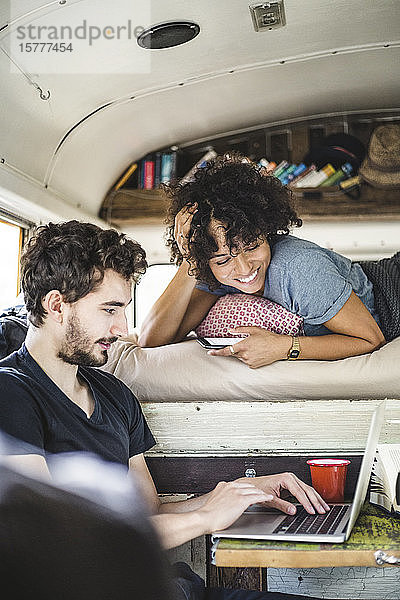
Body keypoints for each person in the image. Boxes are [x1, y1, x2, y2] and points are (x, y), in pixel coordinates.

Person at [0, 220, 328, 600]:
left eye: (124, 309)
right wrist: (205, 518)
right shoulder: (11, 393)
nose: (123, 328)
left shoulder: (115, 394)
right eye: (110, 309)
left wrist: (238, 492)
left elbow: (146, 516)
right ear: (56, 304)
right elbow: (49, 540)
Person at [138, 153, 387, 368]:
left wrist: (284, 347)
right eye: (223, 260)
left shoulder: (298, 269)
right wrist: (190, 260)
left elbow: (371, 339)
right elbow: (151, 340)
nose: (245, 269)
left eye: (252, 246)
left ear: (266, 231)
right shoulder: (214, 273)